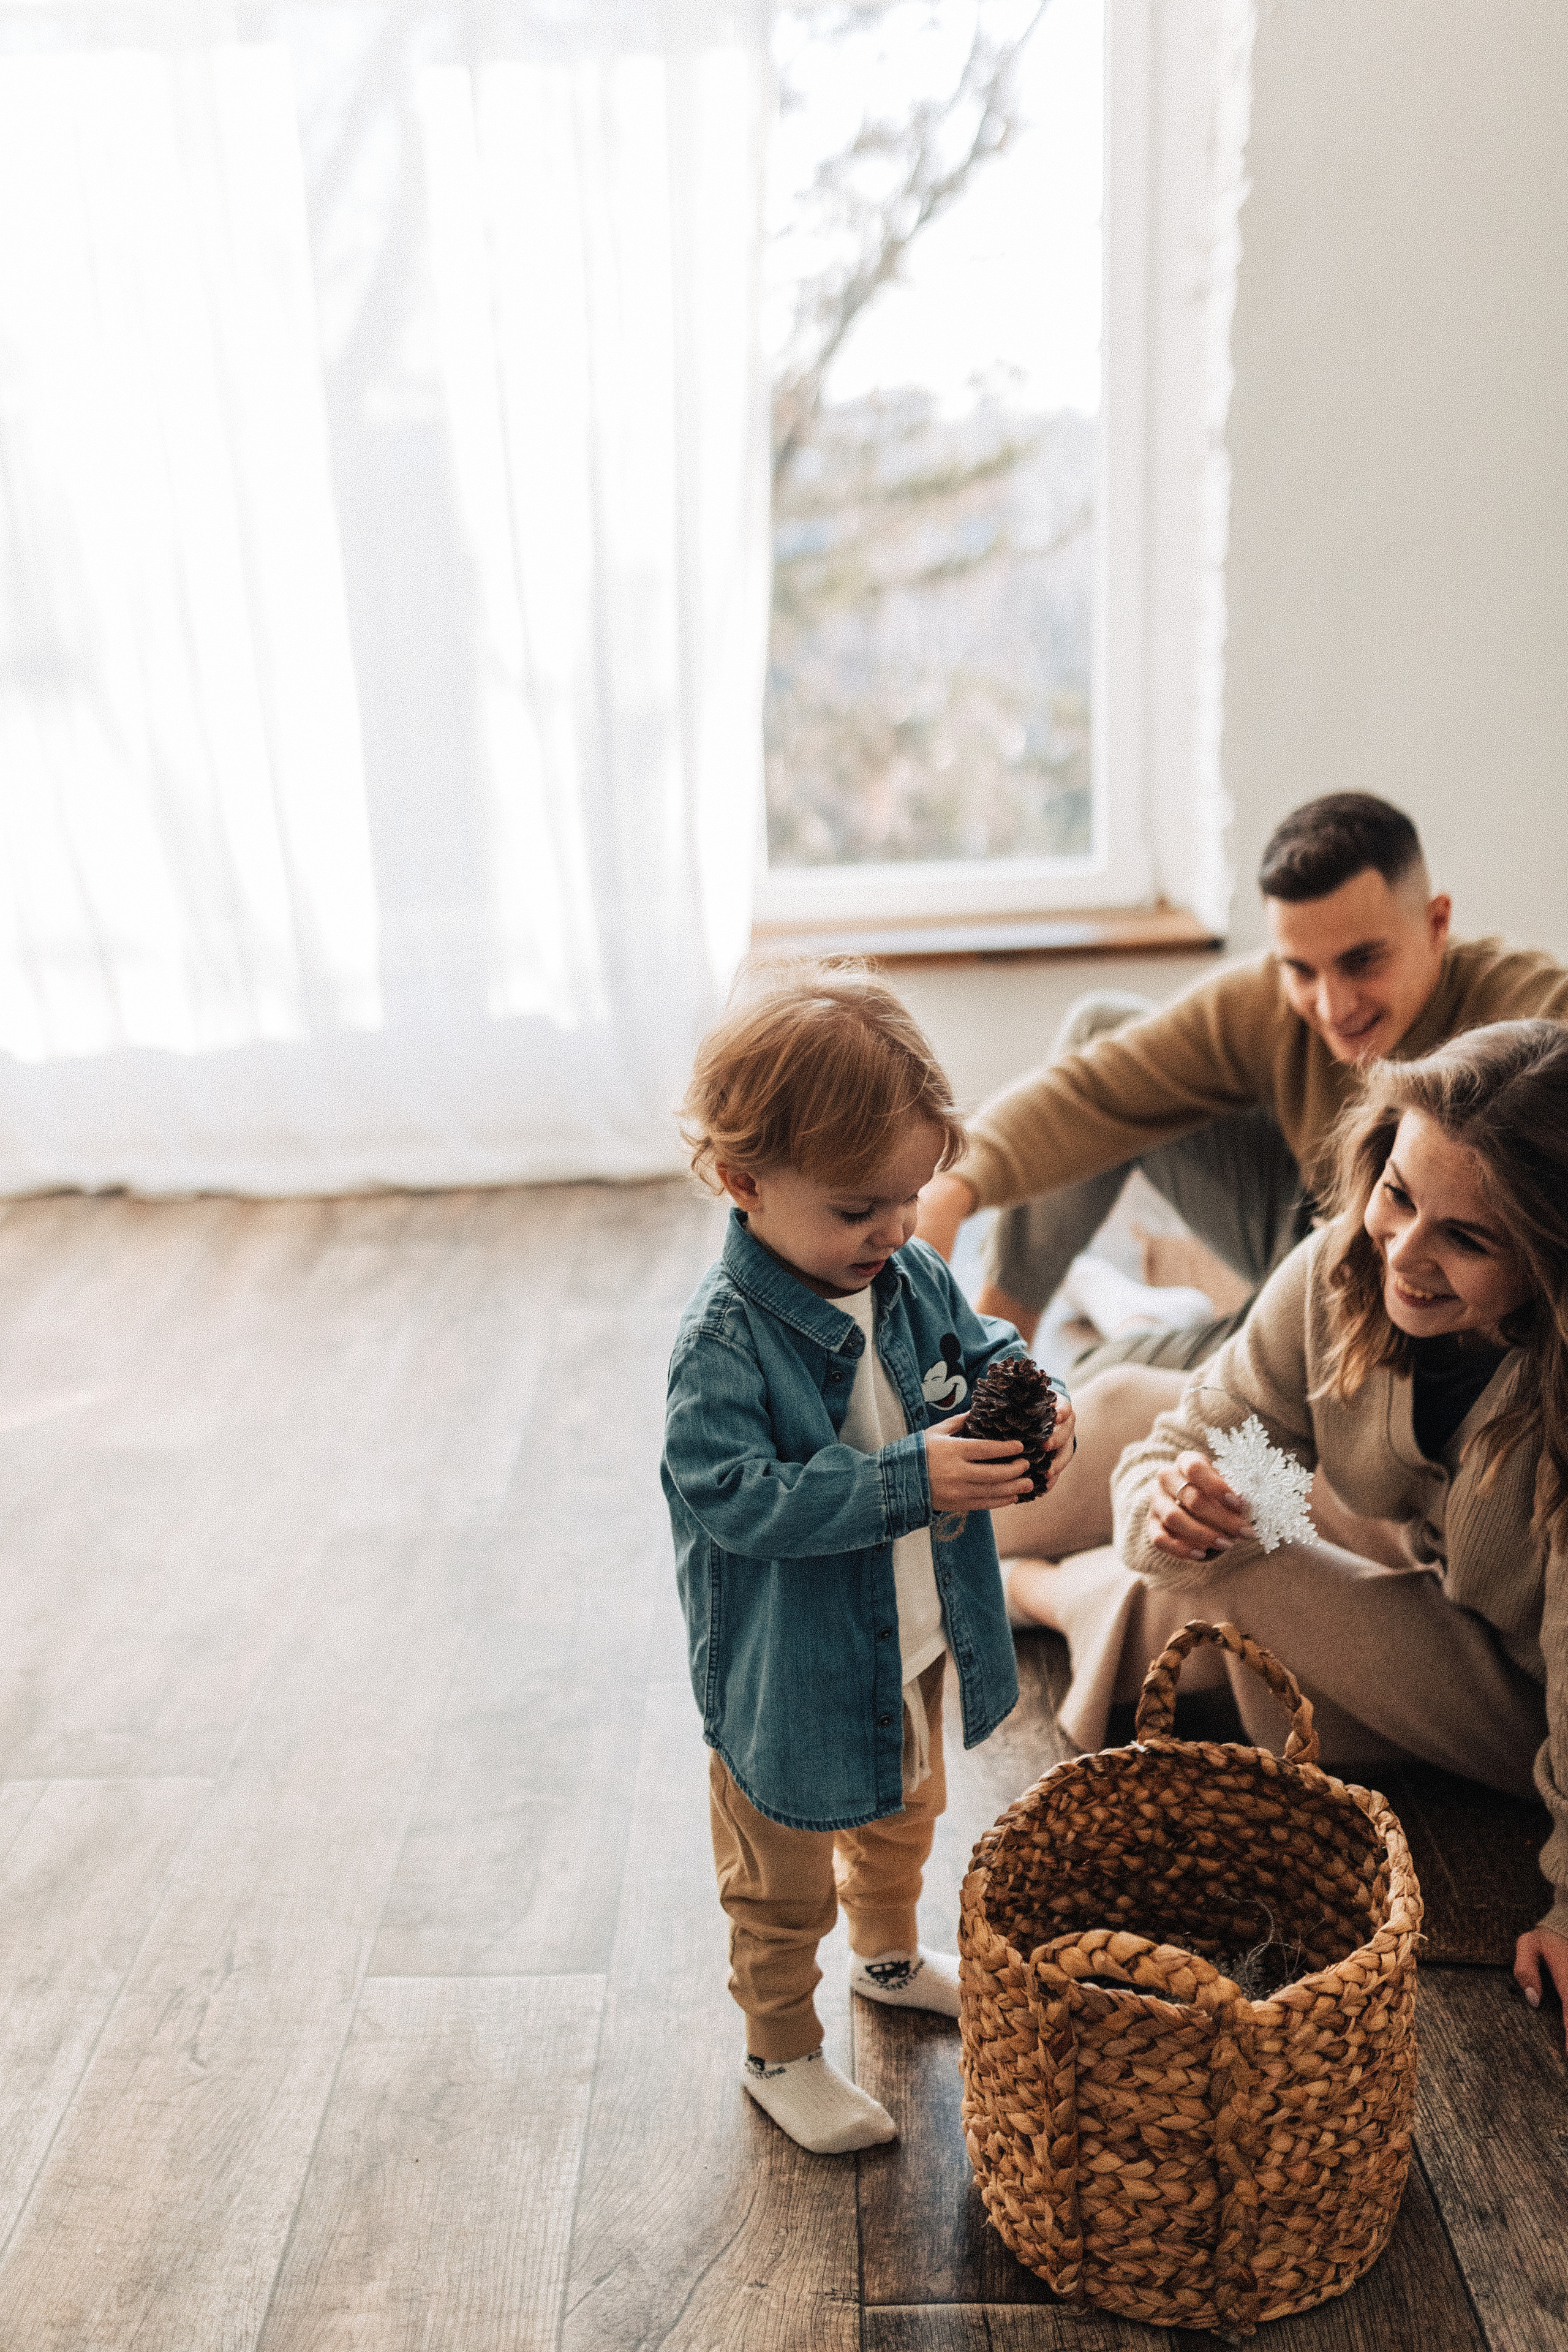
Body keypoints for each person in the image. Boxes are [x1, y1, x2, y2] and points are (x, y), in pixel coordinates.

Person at [1007, 1020, 1568, 2031]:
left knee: (1234, 1571)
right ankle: (908, 1527)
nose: (1405, 1252)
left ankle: (1037, 1594)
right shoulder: (1341, 1268)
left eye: (1468, 1238)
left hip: (1527, 1697)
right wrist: (1164, 1504)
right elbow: (1193, 1435)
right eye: (1398, 1193)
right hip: (1425, 1561)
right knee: (1137, 1408)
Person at [661, 963, 1076, 2155]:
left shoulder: (904, 1271)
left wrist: (1038, 1399)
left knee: (903, 1814)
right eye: (857, 1209)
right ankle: (779, 2047)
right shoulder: (723, 1342)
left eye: (910, 1196)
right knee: (780, 1870)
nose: (892, 1230)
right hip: (788, 1670)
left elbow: (982, 1346)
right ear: (743, 1182)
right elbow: (733, 1498)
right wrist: (910, 1480)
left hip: (913, 1630)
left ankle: (886, 1956)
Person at [915, 792, 1568, 1374]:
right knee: (1100, 1026)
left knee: (1089, 1382)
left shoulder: (1537, 1017)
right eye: (1301, 969)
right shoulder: (1272, 1004)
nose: (1333, 1006)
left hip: (1404, 1312)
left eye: (1362, 961)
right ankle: (996, 1344)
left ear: (1436, 924)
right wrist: (949, 1186)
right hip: (1312, 1235)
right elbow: (1097, 1089)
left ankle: (1146, 1318)